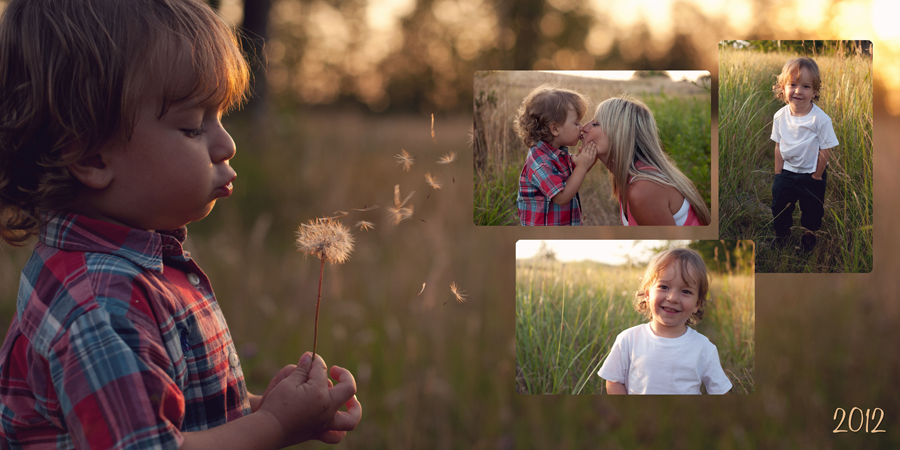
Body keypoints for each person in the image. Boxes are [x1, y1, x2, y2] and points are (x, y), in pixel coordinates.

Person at [0, 0, 361, 448]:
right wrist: (276, 426)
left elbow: (171, 411)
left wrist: (264, 407)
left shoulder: (128, 267)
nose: (226, 143)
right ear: (90, 156)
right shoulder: (103, 307)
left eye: (221, 117)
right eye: (193, 126)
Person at [597, 248, 731, 395]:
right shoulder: (628, 339)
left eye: (686, 291)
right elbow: (613, 381)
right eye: (664, 287)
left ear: (697, 304)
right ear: (648, 294)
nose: (672, 298)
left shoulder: (704, 348)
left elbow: (720, 390)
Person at [581, 97, 711, 226]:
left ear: (619, 134)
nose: (584, 127)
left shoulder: (643, 188)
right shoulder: (630, 178)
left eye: (595, 124)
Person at [770, 57, 839, 251]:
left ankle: (809, 237)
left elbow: (825, 148)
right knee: (780, 207)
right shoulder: (780, 116)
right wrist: (778, 174)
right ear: (782, 88)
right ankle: (782, 234)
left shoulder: (820, 119)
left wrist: (817, 175)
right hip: (786, 173)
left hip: (811, 174)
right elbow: (778, 145)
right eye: (792, 84)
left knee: (812, 210)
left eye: (806, 86)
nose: (798, 91)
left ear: (815, 91)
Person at [515, 85, 598, 226]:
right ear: (555, 129)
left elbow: (574, 174)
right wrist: (582, 166)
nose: (582, 127)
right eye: (576, 123)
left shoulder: (557, 153)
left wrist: (586, 161)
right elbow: (561, 197)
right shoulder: (540, 162)